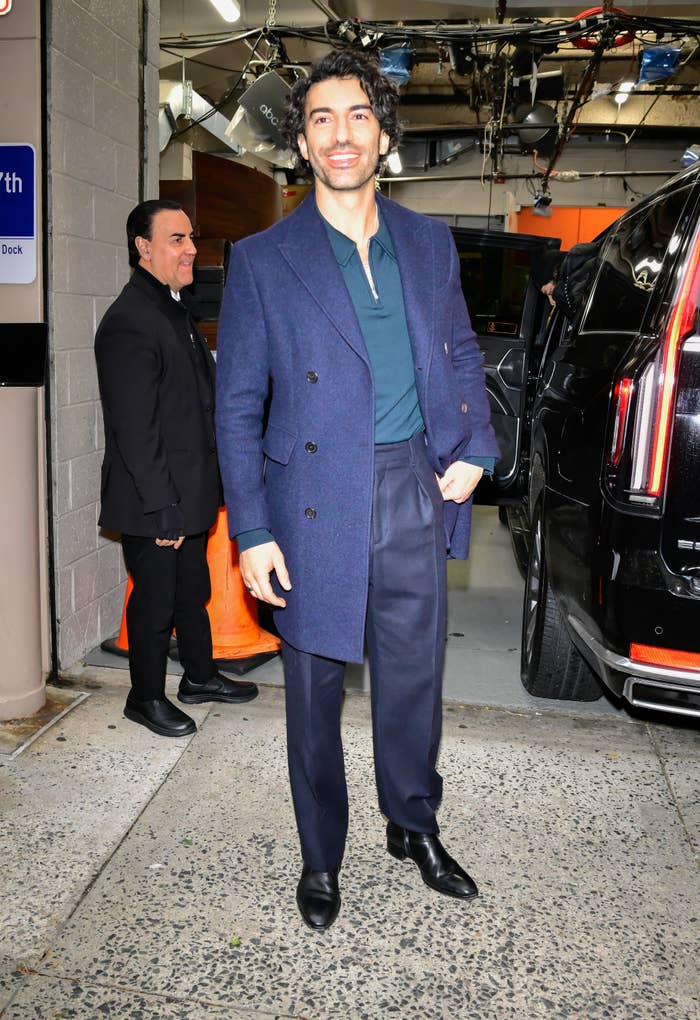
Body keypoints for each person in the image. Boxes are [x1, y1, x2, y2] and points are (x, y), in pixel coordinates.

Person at [215, 51, 499, 931]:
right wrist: (252, 532)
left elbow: (456, 350)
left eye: (358, 117)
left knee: (414, 676)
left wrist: (475, 442)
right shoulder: (264, 260)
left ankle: (413, 826)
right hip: (311, 498)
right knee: (314, 687)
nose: (342, 135)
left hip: (413, 481)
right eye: (323, 120)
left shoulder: (428, 241)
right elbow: (237, 405)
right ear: (302, 143)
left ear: (384, 134)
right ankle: (320, 855)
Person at [95, 199, 258, 739]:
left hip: (186, 494)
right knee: (154, 602)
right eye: (177, 240)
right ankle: (144, 698)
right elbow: (136, 431)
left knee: (192, 593)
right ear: (143, 248)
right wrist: (163, 509)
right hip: (155, 502)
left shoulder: (173, 309)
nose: (191, 249)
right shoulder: (129, 322)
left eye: (191, 237)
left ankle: (200, 677)